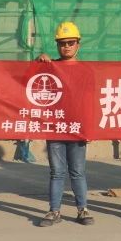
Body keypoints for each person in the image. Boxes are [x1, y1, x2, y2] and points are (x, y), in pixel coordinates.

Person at [35, 21, 93, 226]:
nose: (66, 46)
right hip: (55, 127)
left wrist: (90, 128)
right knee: (57, 172)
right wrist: (38, 61)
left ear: (78, 44)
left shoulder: (86, 70)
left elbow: (91, 101)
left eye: (70, 42)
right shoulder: (49, 68)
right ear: (57, 45)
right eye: (62, 43)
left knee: (77, 172)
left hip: (77, 128)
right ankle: (54, 211)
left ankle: (82, 210)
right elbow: (28, 81)